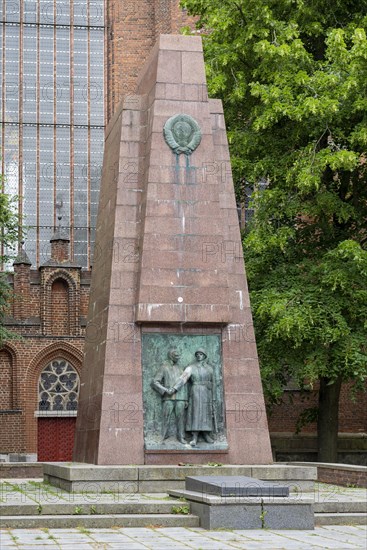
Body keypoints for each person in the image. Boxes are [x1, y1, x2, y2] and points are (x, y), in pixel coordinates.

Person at [168, 348, 215, 446]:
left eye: (201, 354)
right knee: (195, 413)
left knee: (206, 413)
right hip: (196, 391)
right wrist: (174, 388)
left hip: (206, 392)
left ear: (204, 356)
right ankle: (195, 436)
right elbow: (183, 379)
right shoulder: (191, 367)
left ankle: (206, 434)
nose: (199, 355)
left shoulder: (209, 368)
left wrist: (213, 397)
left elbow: (213, 383)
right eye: (197, 354)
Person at [151, 348, 188, 444]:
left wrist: (186, 399)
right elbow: (155, 382)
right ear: (171, 356)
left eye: (179, 356)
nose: (178, 358)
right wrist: (165, 390)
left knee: (180, 418)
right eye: (176, 356)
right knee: (165, 417)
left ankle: (181, 437)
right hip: (168, 397)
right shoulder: (164, 367)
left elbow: (184, 383)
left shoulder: (181, 368)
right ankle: (163, 436)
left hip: (181, 397)